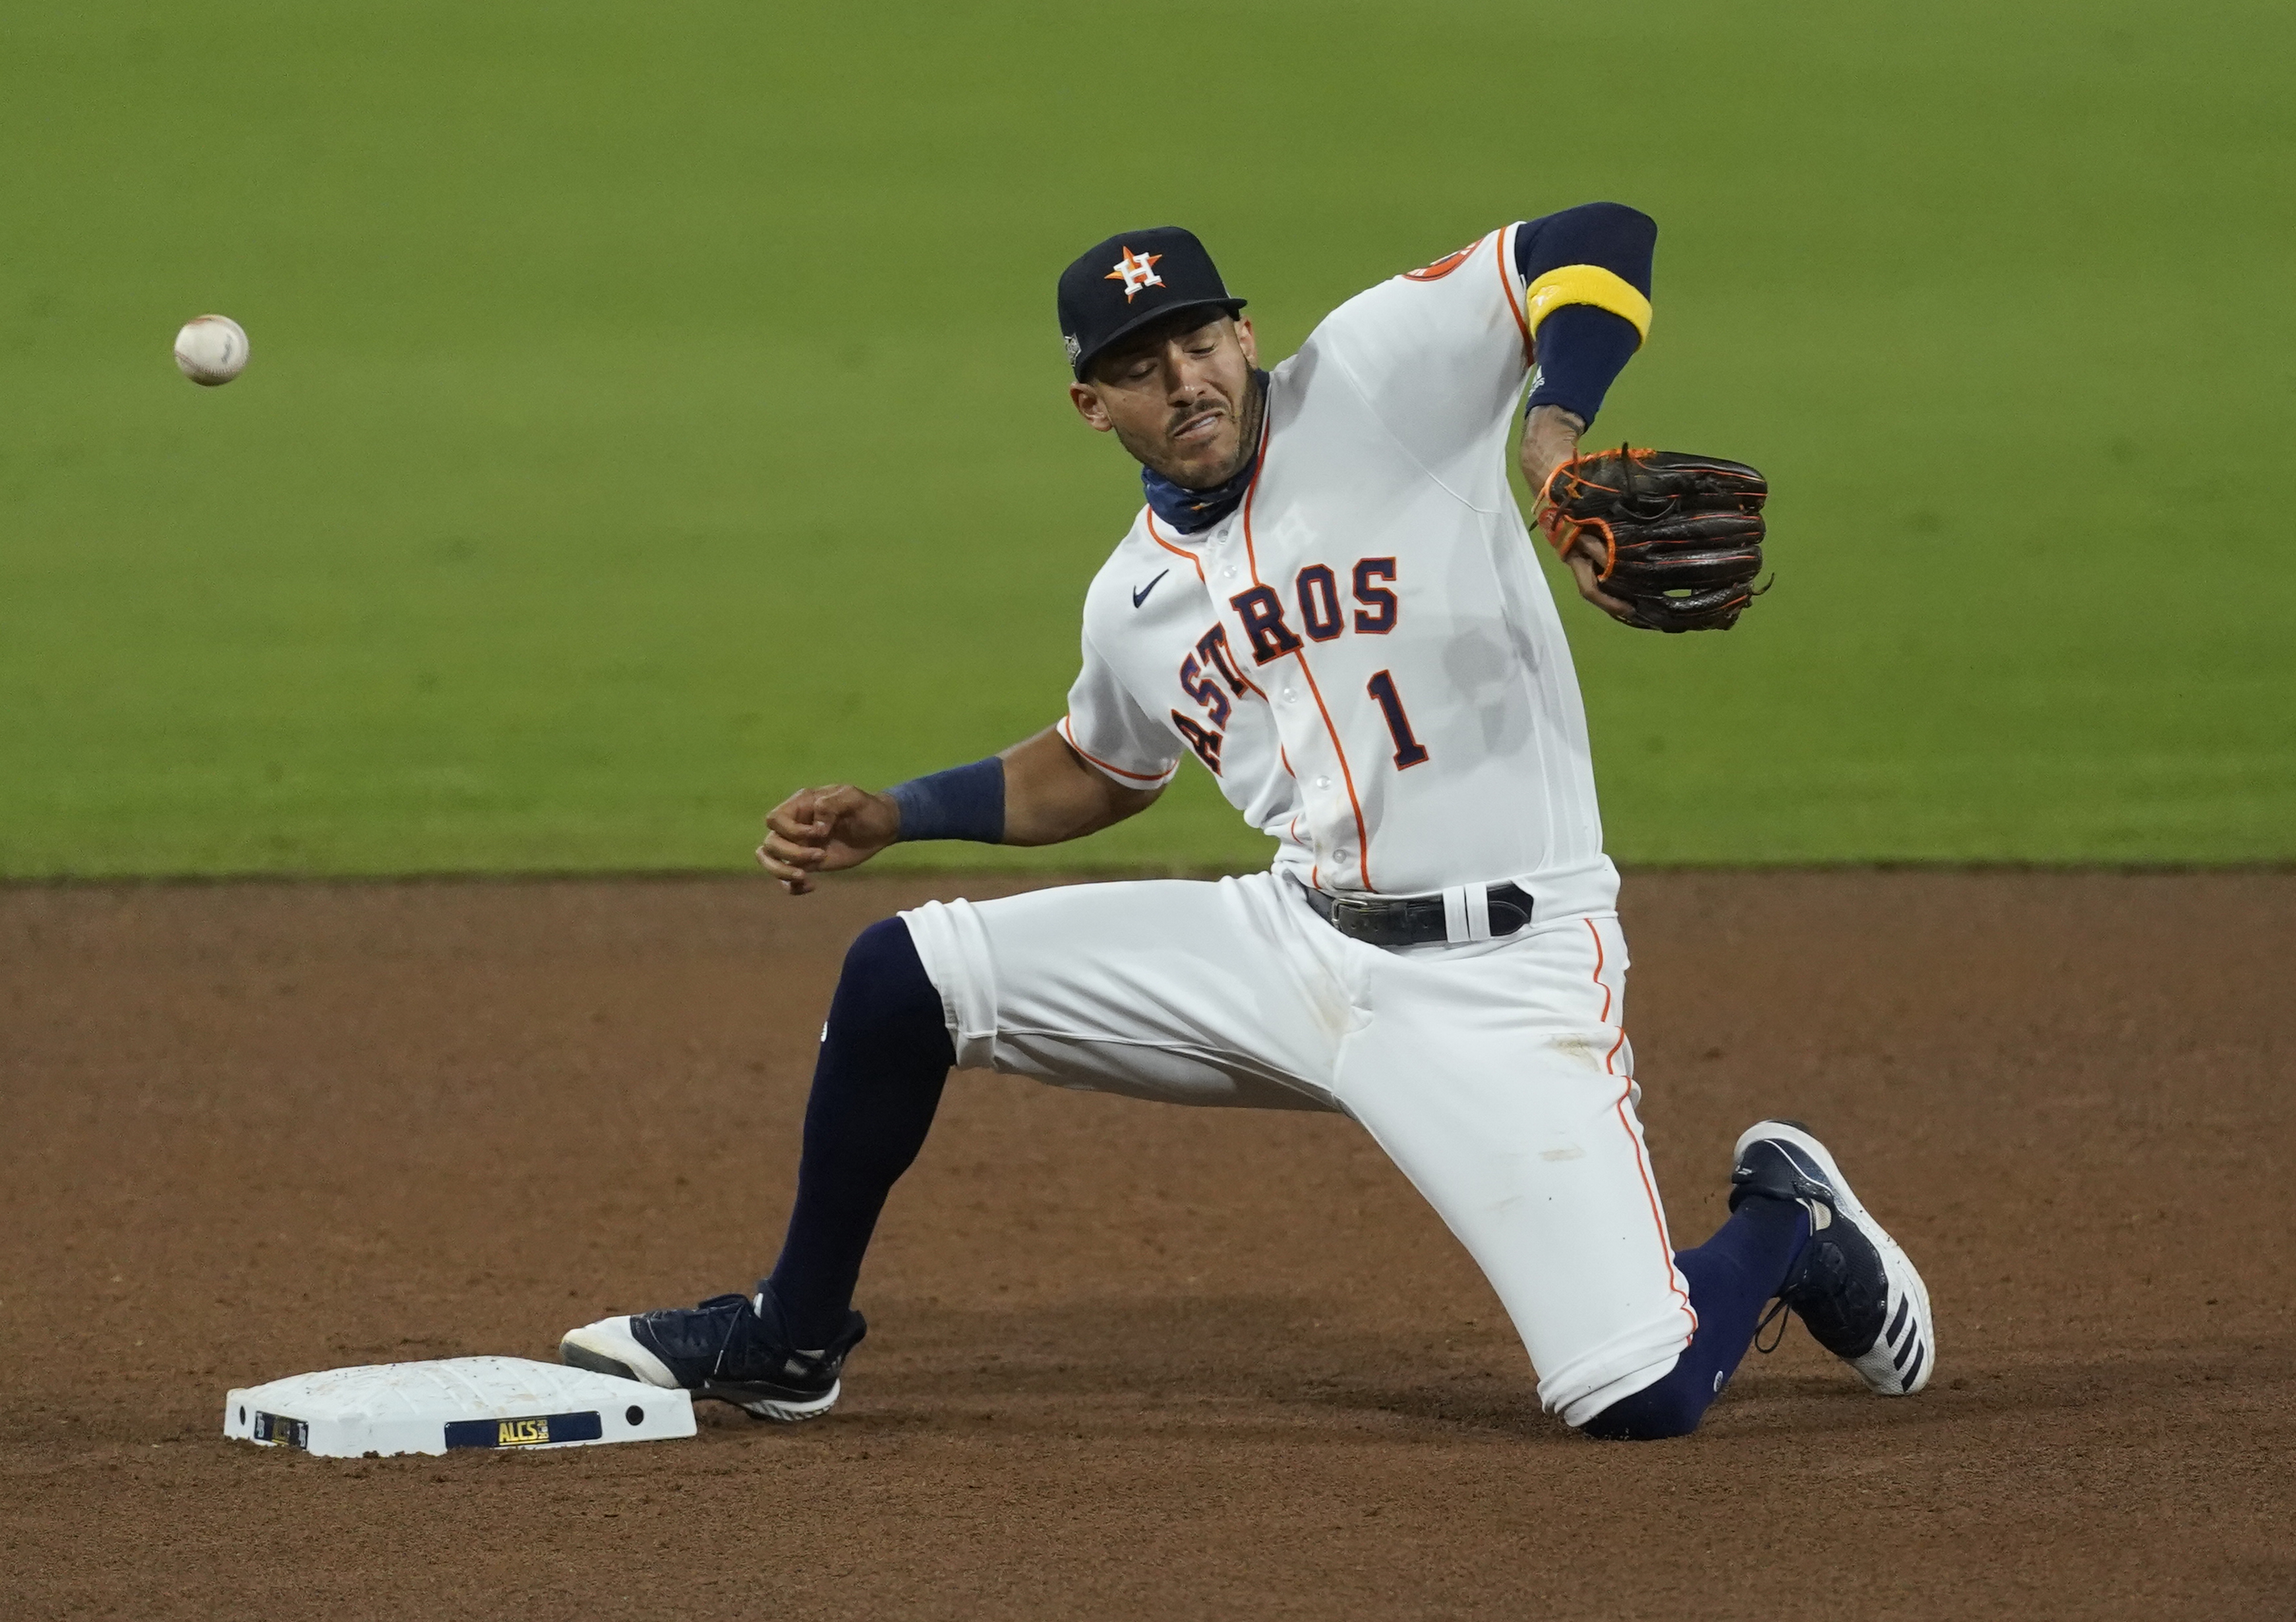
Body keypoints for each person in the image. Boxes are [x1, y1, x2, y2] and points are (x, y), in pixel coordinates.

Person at [558, 209, 1933, 1439]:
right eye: (1144, 368)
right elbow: (1098, 768)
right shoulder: (1133, 599)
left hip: (1504, 974)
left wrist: (1550, 427)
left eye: (1202, 341)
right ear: (1090, 404)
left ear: (1245, 333)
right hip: (1289, 942)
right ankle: (792, 1338)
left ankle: (1788, 1219)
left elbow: (1600, 239)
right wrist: (897, 811)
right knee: (902, 978)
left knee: (1635, 1392)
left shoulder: (1384, 375)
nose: (1188, 381)